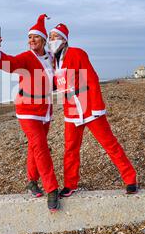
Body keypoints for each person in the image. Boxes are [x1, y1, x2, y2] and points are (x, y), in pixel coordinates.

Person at [48, 23, 138, 198]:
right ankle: (70, 184)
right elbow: (58, 86)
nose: (51, 40)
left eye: (54, 37)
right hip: (71, 112)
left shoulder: (77, 53)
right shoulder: (54, 61)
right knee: (70, 149)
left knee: (109, 144)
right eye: (49, 37)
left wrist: (97, 108)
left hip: (89, 108)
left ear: (64, 39)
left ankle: (130, 179)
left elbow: (92, 79)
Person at [0, 14, 60, 212]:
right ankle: (52, 189)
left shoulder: (51, 59)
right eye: (29, 38)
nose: (31, 41)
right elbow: (7, 63)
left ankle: (31, 181)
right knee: (41, 147)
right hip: (27, 110)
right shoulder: (26, 57)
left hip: (45, 110)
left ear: (44, 40)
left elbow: (53, 83)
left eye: (35, 37)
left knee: (34, 148)